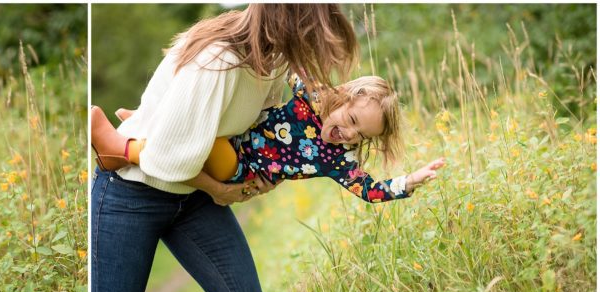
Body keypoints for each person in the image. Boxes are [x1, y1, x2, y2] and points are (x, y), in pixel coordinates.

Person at [90, 2, 359, 292]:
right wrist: (219, 190)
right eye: (314, 38)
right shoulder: (220, 61)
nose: (315, 52)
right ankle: (120, 147)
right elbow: (170, 162)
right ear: (291, 24)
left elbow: (255, 130)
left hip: (190, 195)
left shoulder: (271, 62)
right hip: (133, 192)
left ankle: (141, 129)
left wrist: (269, 174)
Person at [92, 73, 445, 204]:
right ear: (343, 96)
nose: (349, 134)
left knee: (205, 140)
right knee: (210, 108)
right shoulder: (314, 96)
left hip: (240, 169)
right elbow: (290, 63)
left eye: (360, 135)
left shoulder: (338, 160)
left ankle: (123, 148)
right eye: (351, 119)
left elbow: (371, 191)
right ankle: (148, 123)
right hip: (236, 132)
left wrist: (410, 181)